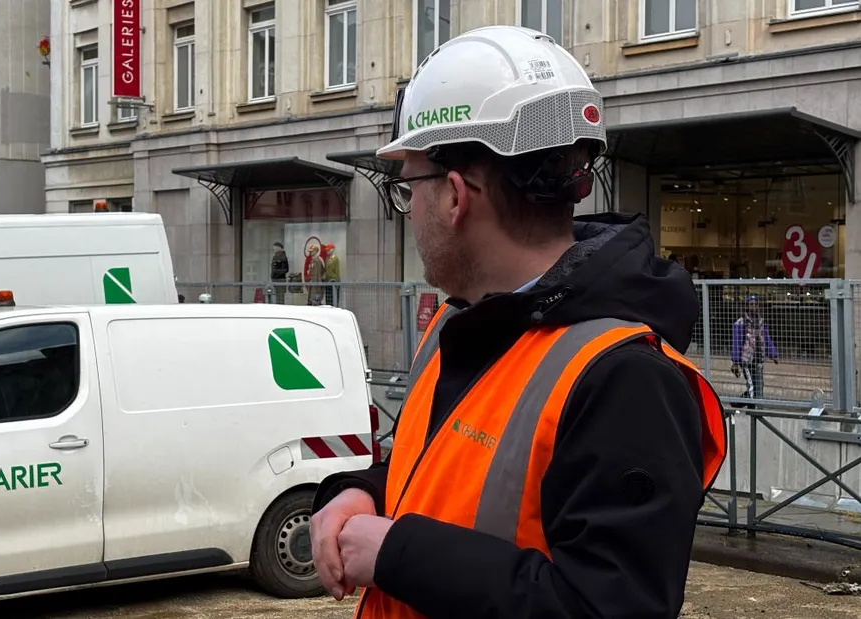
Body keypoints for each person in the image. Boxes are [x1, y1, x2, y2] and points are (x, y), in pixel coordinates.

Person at [308, 25, 728, 619]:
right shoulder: (460, 326)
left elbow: (611, 607)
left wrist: (398, 553)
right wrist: (359, 492)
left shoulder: (626, 378)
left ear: (455, 196)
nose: (411, 212)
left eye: (409, 189)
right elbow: (435, 472)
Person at [730, 294, 779, 402]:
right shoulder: (740, 323)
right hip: (746, 359)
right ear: (746, 306)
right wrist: (735, 361)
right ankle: (751, 409)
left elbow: (766, 338)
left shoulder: (761, 322)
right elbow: (736, 342)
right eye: (751, 304)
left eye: (755, 304)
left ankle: (742, 403)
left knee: (759, 385)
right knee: (751, 385)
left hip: (759, 357)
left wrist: (773, 354)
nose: (753, 307)